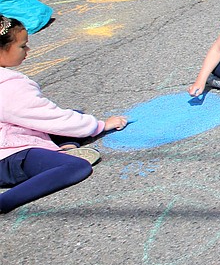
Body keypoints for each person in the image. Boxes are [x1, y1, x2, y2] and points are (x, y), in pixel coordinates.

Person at [1, 15, 129, 213]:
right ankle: (5, 202)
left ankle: (66, 145)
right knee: (76, 167)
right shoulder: (10, 87)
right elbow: (50, 117)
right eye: (22, 46)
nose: (28, 50)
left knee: (73, 119)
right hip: (8, 159)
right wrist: (101, 125)